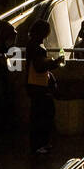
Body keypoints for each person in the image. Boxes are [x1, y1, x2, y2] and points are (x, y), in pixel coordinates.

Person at [24, 20, 63, 155]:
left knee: (37, 114)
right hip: (39, 86)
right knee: (44, 114)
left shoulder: (32, 44)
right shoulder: (38, 47)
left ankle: (38, 144)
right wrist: (55, 63)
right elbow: (40, 66)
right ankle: (40, 145)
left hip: (33, 85)